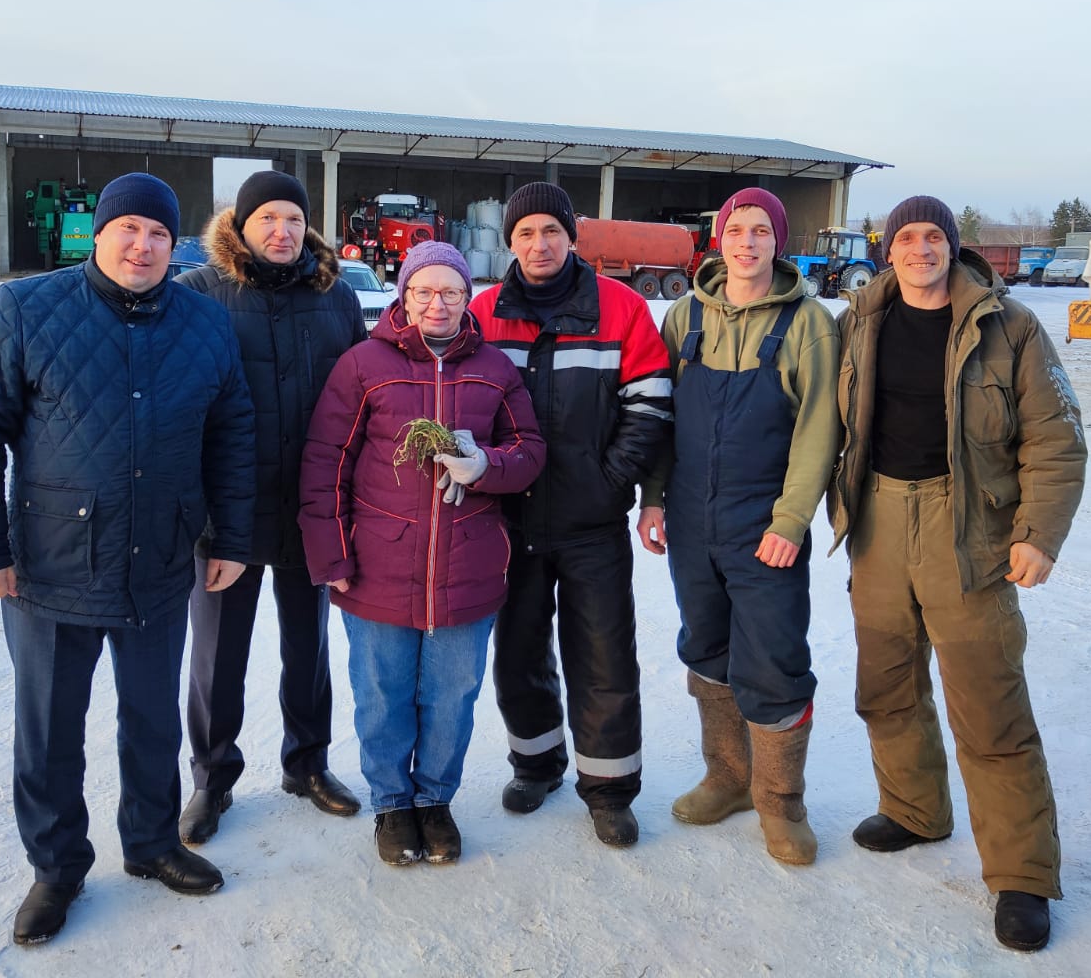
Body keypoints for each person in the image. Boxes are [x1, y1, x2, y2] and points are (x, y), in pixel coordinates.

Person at [0, 172, 255, 947]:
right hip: (49, 566)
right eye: (129, 230)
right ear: (98, 233)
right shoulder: (25, 309)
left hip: (159, 558)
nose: (143, 246)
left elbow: (233, 433)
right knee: (49, 728)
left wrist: (234, 538)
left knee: (151, 719)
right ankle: (56, 868)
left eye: (157, 234)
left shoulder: (206, 323)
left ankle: (151, 844)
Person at [829, 195, 1087, 952]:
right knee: (887, 682)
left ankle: (1023, 875)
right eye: (905, 237)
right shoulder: (858, 323)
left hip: (965, 525)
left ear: (952, 247)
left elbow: (1056, 438)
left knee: (989, 703)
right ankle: (913, 808)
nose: (919, 249)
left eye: (932, 236)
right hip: (876, 519)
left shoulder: (1008, 327)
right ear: (888, 250)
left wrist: (1037, 534)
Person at [299, 241, 546, 865]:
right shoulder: (363, 365)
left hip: (468, 569)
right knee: (381, 695)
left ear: (468, 299)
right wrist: (332, 558)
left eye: (451, 293)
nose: (437, 304)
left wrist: (485, 463)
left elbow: (531, 451)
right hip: (379, 567)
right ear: (403, 296)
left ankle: (435, 800)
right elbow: (327, 465)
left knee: (451, 696)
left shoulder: (494, 369)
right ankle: (391, 804)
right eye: (423, 292)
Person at [636, 188, 840, 865]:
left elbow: (818, 430)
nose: (746, 242)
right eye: (735, 230)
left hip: (765, 522)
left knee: (775, 661)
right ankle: (727, 776)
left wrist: (791, 519)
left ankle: (781, 803)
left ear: (778, 242)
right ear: (717, 239)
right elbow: (660, 416)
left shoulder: (809, 323)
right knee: (707, 648)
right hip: (692, 517)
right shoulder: (686, 315)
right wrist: (656, 498)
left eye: (760, 231)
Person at [468, 182, 672, 847]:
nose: (538, 244)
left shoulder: (620, 307)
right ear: (510, 243)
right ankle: (535, 762)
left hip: (591, 524)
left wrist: (609, 481)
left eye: (550, 231)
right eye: (524, 233)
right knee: (518, 650)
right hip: (510, 522)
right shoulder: (483, 311)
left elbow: (650, 406)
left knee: (604, 656)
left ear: (571, 237)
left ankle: (609, 788)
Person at [174, 170, 367, 843]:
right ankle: (211, 779)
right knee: (217, 652)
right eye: (267, 221)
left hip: (310, 506)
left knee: (307, 645)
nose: (281, 232)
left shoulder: (335, 297)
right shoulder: (198, 294)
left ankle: (307, 763)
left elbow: (360, 395)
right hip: (227, 512)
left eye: (292, 219)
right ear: (241, 226)